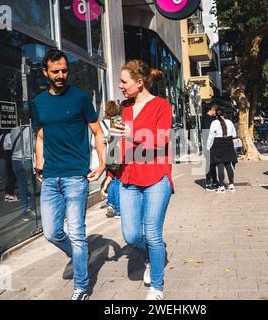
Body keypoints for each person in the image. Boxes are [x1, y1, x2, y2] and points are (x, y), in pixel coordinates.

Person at [33, 49, 106, 300]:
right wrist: (39, 164)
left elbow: (97, 132)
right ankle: (77, 256)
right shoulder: (39, 102)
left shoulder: (81, 98)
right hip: (51, 177)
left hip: (76, 176)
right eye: (55, 71)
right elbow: (41, 135)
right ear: (46, 73)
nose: (61, 75)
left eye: (64, 70)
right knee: (52, 233)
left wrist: (102, 163)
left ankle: (82, 286)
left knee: (76, 232)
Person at [110, 60, 173, 300]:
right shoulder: (123, 108)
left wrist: (132, 134)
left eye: (124, 82)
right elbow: (118, 144)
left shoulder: (161, 105)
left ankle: (157, 286)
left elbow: (162, 141)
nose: (120, 86)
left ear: (140, 82)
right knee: (131, 236)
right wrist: (108, 171)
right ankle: (151, 254)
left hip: (156, 177)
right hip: (128, 177)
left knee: (154, 234)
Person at [99, 100, 122, 219]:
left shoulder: (101, 124)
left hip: (107, 155)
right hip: (118, 153)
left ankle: (110, 204)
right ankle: (118, 209)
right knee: (117, 180)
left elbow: (99, 142)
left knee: (111, 179)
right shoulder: (118, 121)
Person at [206, 108, 238, 193]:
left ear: (216, 115)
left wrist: (208, 146)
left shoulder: (214, 123)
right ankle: (231, 185)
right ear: (224, 114)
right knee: (228, 165)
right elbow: (234, 134)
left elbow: (211, 136)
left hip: (218, 145)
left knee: (220, 165)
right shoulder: (230, 122)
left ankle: (221, 186)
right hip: (228, 144)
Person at [11, 121, 36, 222]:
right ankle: (31, 208)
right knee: (32, 185)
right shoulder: (29, 129)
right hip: (26, 159)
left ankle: (25, 213)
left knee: (22, 187)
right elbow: (33, 146)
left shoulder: (13, 129)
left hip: (15, 160)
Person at [201, 104, 218, 191]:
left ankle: (214, 181)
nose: (215, 113)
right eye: (215, 111)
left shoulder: (211, 119)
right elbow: (207, 133)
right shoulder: (207, 119)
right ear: (211, 109)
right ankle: (208, 183)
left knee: (213, 164)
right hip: (208, 145)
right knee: (209, 164)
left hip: (211, 145)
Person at [0, 130, 18, 202]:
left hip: (2, 155)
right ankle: (10, 194)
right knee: (11, 174)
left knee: (8, 174)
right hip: (9, 154)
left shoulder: (0, 136)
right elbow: (11, 145)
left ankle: (7, 193)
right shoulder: (9, 135)